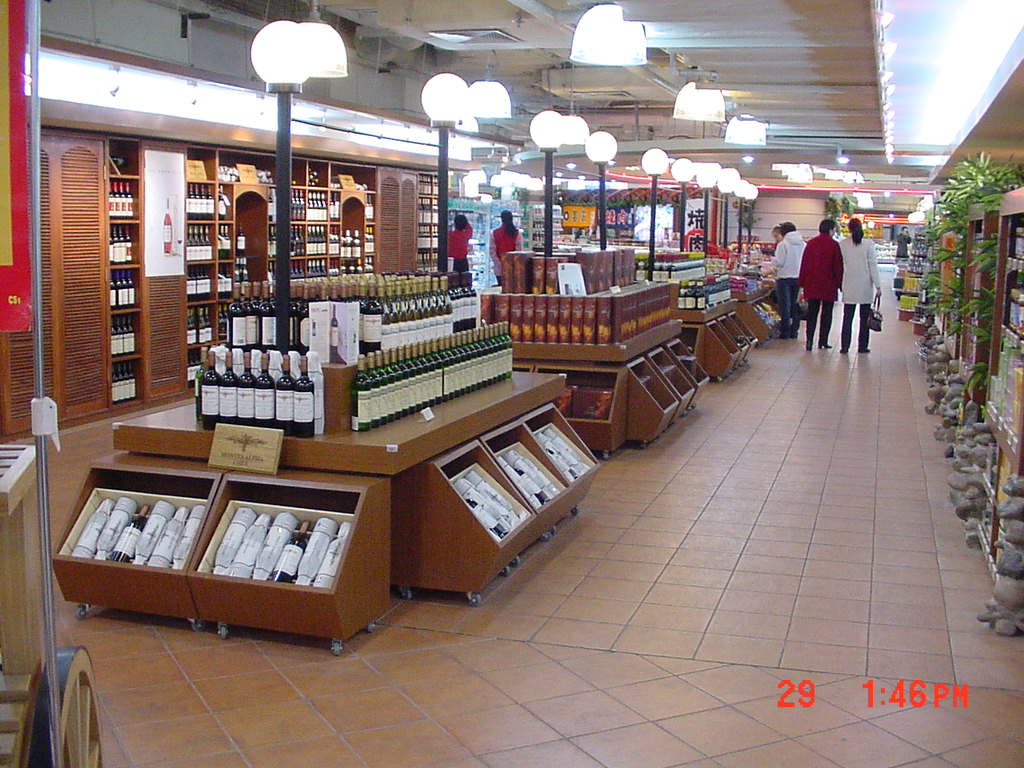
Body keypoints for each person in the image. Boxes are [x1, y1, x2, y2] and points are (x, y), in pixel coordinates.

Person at [798, 219, 844, 350]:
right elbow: (838, 267)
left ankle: (809, 341)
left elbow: (804, 264)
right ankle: (823, 341)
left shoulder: (811, 244)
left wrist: (802, 282)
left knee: (812, 313)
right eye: (834, 229)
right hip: (829, 285)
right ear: (830, 230)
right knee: (827, 314)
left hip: (812, 284)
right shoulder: (834, 245)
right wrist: (840, 284)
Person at [839, 217, 881, 354]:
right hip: (865, 286)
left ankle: (844, 347)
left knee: (847, 318)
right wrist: (878, 286)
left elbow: (840, 266)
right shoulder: (868, 244)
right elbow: (873, 266)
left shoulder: (843, 244)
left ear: (849, 229)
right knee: (864, 319)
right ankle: (862, 346)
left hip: (849, 285)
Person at [772, 222, 805, 339]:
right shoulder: (803, 244)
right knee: (794, 305)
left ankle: (785, 332)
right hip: (798, 277)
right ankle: (794, 331)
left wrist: (772, 260)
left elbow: (780, 262)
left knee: (785, 306)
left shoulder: (783, 244)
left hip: (784, 278)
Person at [490, 210, 522, 287]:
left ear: (501, 219)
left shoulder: (495, 233)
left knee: (501, 287)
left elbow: (492, 251)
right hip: (513, 267)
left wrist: (499, 263)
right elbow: (519, 251)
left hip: (499, 268)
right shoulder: (517, 233)